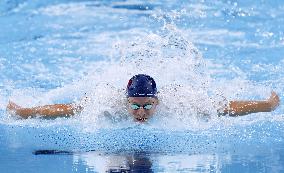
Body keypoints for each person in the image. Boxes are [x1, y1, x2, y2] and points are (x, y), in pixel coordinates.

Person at [6, 74, 280, 122]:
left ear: (157, 102)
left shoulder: (182, 104)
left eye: (148, 106)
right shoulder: (108, 104)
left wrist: (267, 106)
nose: (141, 113)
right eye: (135, 106)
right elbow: (65, 109)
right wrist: (25, 112)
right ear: (125, 102)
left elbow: (226, 108)